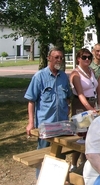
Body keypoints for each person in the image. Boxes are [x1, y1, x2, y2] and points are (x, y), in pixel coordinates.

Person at [24, 47, 72, 176]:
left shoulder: (63, 77)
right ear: (49, 58)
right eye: (56, 57)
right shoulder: (39, 76)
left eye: (61, 58)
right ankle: (42, 180)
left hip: (61, 125)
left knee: (60, 155)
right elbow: (31, 101)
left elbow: (68, 97)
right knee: (44, 155)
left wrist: (68, 110)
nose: (59, 60)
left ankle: (57, 180)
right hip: (46, 125)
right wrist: (30, 123)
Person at [69, 48, 98, 170]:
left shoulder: (91, 71)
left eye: (89, 57)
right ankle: (74, 164)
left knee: (90, 136)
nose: (87, 59)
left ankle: (84, 163)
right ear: (78, 59)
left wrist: (95, 106)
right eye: (84, 57)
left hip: (93, 103)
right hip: (81, 105)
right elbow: (80, 93)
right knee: (80, 136)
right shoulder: (76, 74)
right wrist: (89, 108)